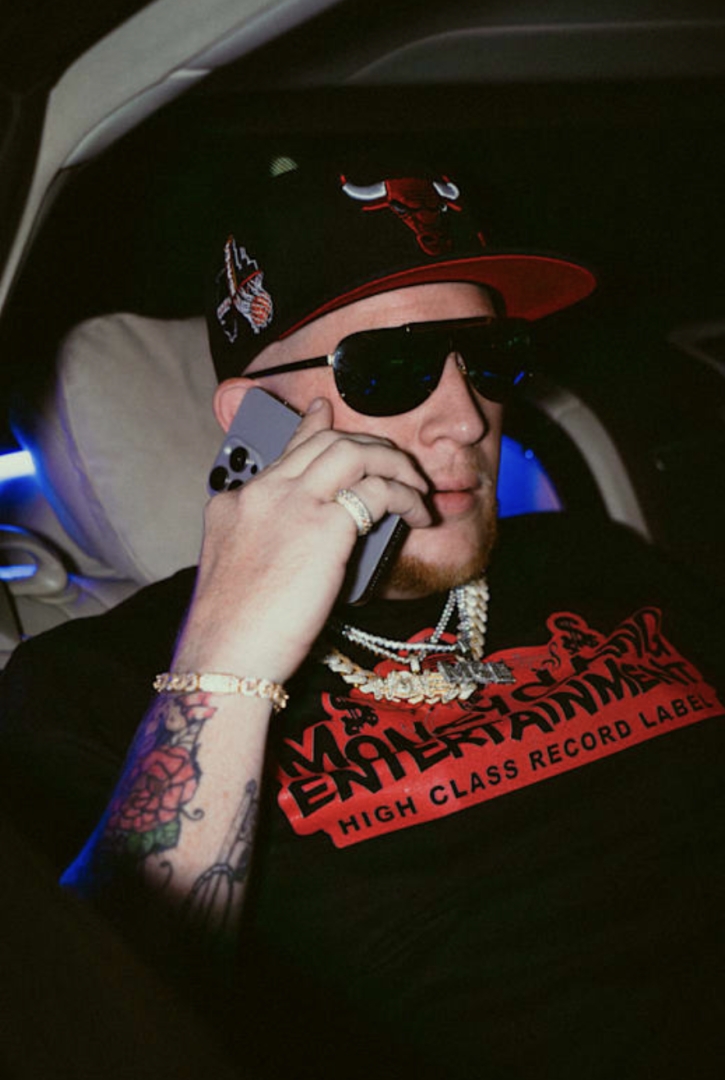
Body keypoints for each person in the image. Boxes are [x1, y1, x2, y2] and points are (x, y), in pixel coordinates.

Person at [1, 153, 723, 1079]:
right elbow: (93, 1035)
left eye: (490, 359)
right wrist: (229, 661)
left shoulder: (594, 558)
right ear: (254, 416)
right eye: (393, 368)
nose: (466, 420)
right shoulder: (92, 684)